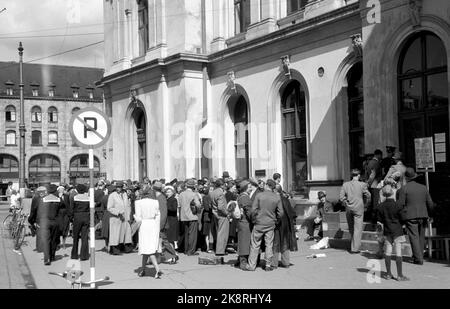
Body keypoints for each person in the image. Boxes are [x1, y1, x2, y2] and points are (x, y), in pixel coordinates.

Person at [244, 179, 284, 271]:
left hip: (259, 223)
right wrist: (276, 220)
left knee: (255, 244)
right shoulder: (277, 197)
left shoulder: (259, 195)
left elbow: (253, 210)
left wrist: (254, 219)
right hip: (270, 223)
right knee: (269, 244)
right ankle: (268, 265)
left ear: (266, 185)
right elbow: (281, 213)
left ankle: (251, 265)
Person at [397, 168, 434, 265]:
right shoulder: (423, 188)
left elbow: (400, 205)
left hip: (410, 215)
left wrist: (400, 217)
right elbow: (430, 203)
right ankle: (419, 255)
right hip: (423, 214)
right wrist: (431, 215)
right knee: (421, 236)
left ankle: (418, 258)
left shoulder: (403, 189)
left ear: (406, 178)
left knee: (414, 236)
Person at [377, 185, 409, 281]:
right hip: (398, 230)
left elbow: (379, 220)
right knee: (398, 252)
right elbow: (403, 218)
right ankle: (399, 275)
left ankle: (388, 274)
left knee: (388, 251)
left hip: (387, 231)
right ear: (392, 192)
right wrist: (403, 225)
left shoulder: (380, 206)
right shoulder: (398, 205)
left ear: (383, 194)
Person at [340, 169, 371, 254]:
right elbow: (368, 195)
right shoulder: (362, 184)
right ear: (359, 175)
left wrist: (346, 203)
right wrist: (366, 205)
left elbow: (341, 197)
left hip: (349, 208)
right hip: (359, 208)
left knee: (351, 227)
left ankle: (353, 245)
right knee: (358, 228)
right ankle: (355, 248)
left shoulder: (345, 184)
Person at [134, 187, 162, 279]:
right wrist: (157, 228)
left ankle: (157, 269)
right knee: (148, 249)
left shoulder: (138, 203)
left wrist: (135, 219)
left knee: (147, 249)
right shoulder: (155, 202)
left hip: (144, 224)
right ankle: (143, 269)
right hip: (153, 224)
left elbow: (138, 218)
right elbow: (158, 216)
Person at [272, 184, 297, 269]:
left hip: (276, 224)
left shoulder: (275, 199)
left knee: (275, 243)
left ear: (275, 191)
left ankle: (274, 263)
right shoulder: (286, 200)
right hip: (286, 224)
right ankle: (286, 263)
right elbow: (293, 213)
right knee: (285, 243)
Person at [154, 181, 178, 264]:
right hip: (157, 222)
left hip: (161, 223)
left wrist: (161, 224)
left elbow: (163, 213)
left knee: (164, 241)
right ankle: (158, 258)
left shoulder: (161, 198)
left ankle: (173, 255)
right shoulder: (157, 197)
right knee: (161, 241)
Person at [36, 185, 61, 265]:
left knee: (46, 240)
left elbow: (39, 212)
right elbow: (63, 209)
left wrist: (38, 222)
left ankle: (47, 258)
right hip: (55, 222)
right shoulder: (58, 200)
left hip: (45, 222)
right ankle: (52, 256)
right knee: (54, 240)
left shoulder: (43, 200)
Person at [108, 181, 133, 255]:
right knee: (116, 234)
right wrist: (118, 212)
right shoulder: (112, 195)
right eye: (117, 187)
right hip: (116, 218)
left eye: (120, 187)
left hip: (125, 217)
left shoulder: (125, 195)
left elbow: (128, 206)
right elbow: (109, 207)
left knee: (125, 233)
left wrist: (128, 216)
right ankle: (115, 249)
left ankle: (125, 247)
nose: (118, 189)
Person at [178, 179, 201, 256]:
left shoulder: (181, 194)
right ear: (193, 186)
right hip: (192, 216)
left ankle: (186, 249)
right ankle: (191, 251)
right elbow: (198, 205)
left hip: (184, 216)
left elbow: (179, 205)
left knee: (186, 234)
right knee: (192, 235)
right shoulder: (194, 194)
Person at [69, 184, 90, 261]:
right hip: (86, 216)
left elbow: (71, 209)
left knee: (76, 237)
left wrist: (71, 219)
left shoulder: (74, 198)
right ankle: (84, 255)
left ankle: (74, 255)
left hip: (77, 217)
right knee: (85, 237)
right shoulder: (88, 198)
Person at [235, 180, 253, 269]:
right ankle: (243, 263)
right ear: (245, 188)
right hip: (245, 223)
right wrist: (255, 219)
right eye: (249, 187)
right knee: (245, 243)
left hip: (242, 222)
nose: (251, 188)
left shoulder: (240, 196)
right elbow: (249, 211)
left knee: (243, 242)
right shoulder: (245, 197)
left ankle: (240, 261)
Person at [210, 178, 229, 256]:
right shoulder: (220, 193)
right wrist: (227, 213)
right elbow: (221, 207)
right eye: (225, 184)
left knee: (219, 232)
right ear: (222, 185)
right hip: (222, 215)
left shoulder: (212, 192)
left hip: (215, 214)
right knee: (222, 233)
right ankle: (220, 251)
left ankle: (219, 249)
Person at [365, 149, 383, 221]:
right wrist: (368, 183)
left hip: (371, 185)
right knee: (375, 203)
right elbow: (373, 174)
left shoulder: (370, 162)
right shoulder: (376, 163)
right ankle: (374, 218)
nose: (381, 157)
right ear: (378, 155)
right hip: (375, 185)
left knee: (371, 202)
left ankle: (371, 217)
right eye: (381, 155)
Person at [28, 186, 47, 253]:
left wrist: (31, 220)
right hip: (47, 218)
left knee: (39, 234)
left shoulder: (35, 198)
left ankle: (39, 248)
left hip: (39, 218)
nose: (41, 193)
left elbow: (33, 210)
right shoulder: (47, 198)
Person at [101, 185, 115, 252]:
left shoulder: (104, 197)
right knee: (113, 231)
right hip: (113, 214)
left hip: (106, 214)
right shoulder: (115, 197)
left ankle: (107, 245)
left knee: (106, 231)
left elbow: (102, 208)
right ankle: (112, 246)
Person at [225, 181, 238, 253]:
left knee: (230, 230)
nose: (235, 188)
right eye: (234, 187)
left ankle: (229, 245)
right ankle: (230, 246)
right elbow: (231, 205)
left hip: (229, 213)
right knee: (231, 231)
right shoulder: (231, 195)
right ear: (231, 187)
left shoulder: (226, 194)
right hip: (231, 214)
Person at [200, 183, 213, 253]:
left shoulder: (213, 197)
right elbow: (206, 208)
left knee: (212, 233)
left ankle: (211, 247)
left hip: (212, 217)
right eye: (210, 189)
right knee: (207, 233)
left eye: (213, 189)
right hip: (207, 217)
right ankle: (208, 247)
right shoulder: (205, 197)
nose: (212, 191)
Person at [164, 185, 179, 250]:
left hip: (172, 219)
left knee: (171, 237)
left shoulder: (173, 199)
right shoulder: (167, 199)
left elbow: (174, 209)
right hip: (168, 219)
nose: (167, 193)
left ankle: (172, 251)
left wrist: (166, 208)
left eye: (169, 192)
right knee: (169, 237)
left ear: (173, 192)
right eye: (167, 192)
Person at [56, 185, 70, 250]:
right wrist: (59, 197)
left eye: (63, 189)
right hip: (59, 214)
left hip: (66, 214)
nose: (62, 191)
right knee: (59, 229)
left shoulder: (67, 196)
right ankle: (58, 243)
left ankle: (64, 243)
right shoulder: (56, 197)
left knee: (65, 228)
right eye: (60, 190)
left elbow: (68, 205)